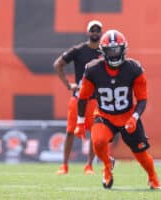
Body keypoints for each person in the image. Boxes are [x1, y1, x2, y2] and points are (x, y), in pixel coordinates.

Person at [74, 29, 161, 190]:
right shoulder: (93, 69)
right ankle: (107, 167)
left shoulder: (133, 68)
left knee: (140, 152)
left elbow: (142, 99)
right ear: (103, 51)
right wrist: (80, 122)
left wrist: (134, 117)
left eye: (117, 50)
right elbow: (83, 97)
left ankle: (152, 177)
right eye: (110, 50)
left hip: (127, 115)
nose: (114, 54)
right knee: (98, 142)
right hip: (104, 115)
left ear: (123, 50)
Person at [53, 20, 103, 175]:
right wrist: (68, 85)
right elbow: (58, 64)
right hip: (78, 97)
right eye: (92, 30)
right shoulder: (79, 50)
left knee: (95, 133)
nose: (95, 33)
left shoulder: (104, 52)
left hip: (95, 99)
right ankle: (64, 165)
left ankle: (89, 166)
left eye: (98, 30)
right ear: (88, 32)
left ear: (100, 33)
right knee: (70, 131)